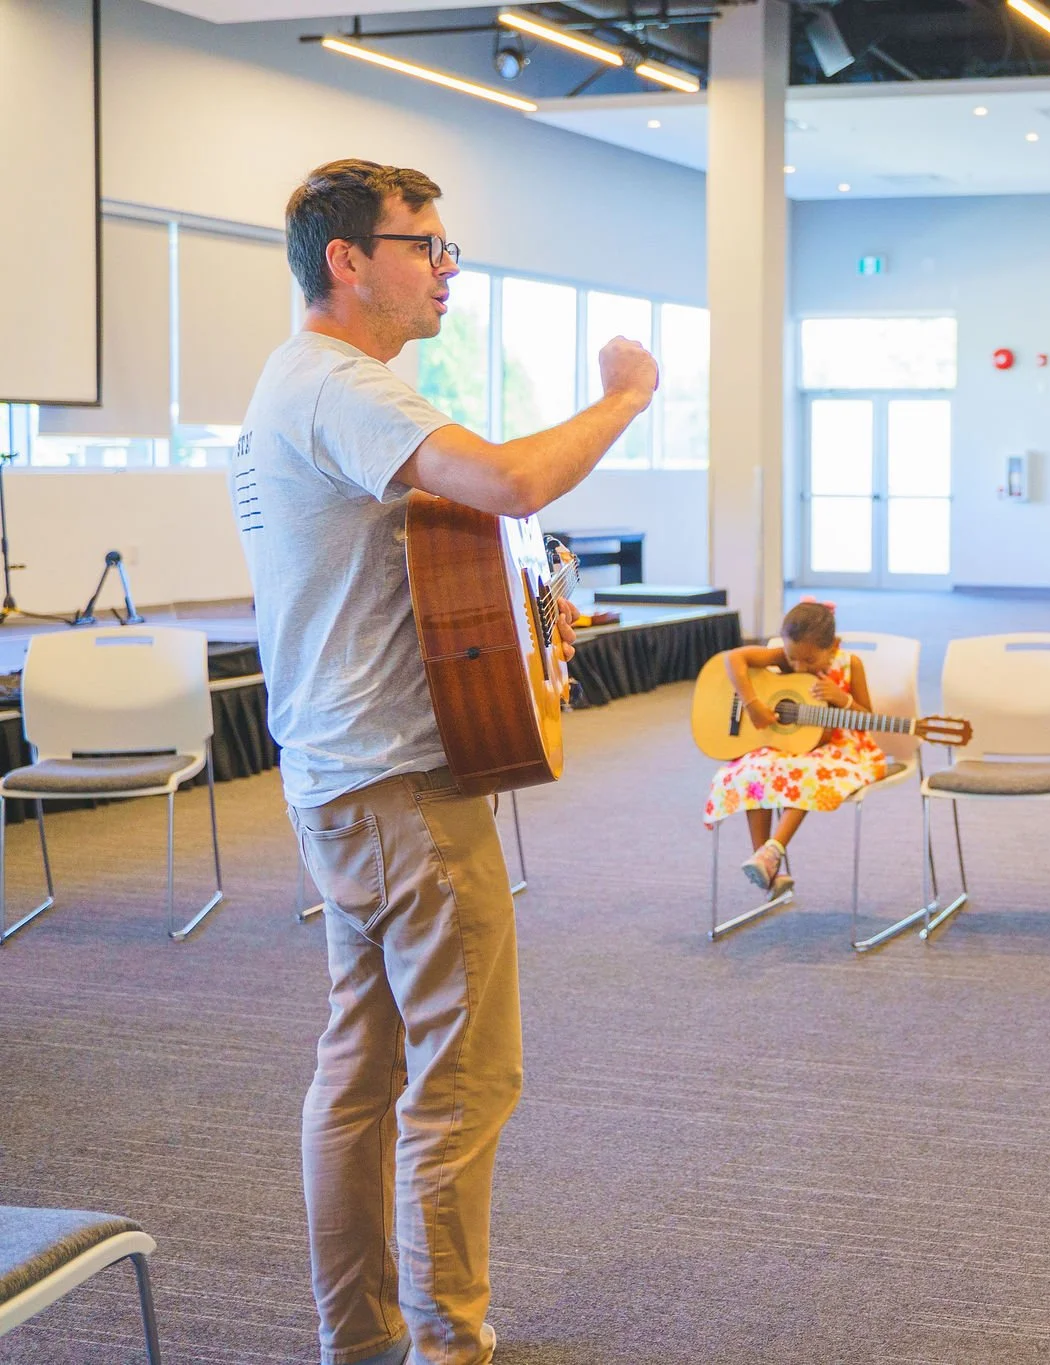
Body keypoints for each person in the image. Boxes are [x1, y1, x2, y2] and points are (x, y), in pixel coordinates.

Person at [233, 159, 658, 1365]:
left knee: (359, 1074)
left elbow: (424, 569)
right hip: (403, 796)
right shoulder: (339, 384)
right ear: (346, 261)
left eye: (446, 247)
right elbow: (513, 482)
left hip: (343, 780)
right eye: (422, 245)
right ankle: (446, 1344)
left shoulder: (290, 385)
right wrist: (625, 398)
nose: (445, 270)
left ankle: (364, 1339)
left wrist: (525, 626)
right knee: (461, 1083)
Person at [703, 599, 887, 892]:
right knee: (754, 768)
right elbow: (732, 659)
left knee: (807, 773)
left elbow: (867, 720)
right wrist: (752, 703)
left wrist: (843, 699)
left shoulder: (850, 665)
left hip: (842, 747)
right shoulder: (784, 657)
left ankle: (773, 851)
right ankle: (766, 864)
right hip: (791, 744)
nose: (799, 667)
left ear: (833, 646)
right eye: (793, 658)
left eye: (810, 661)